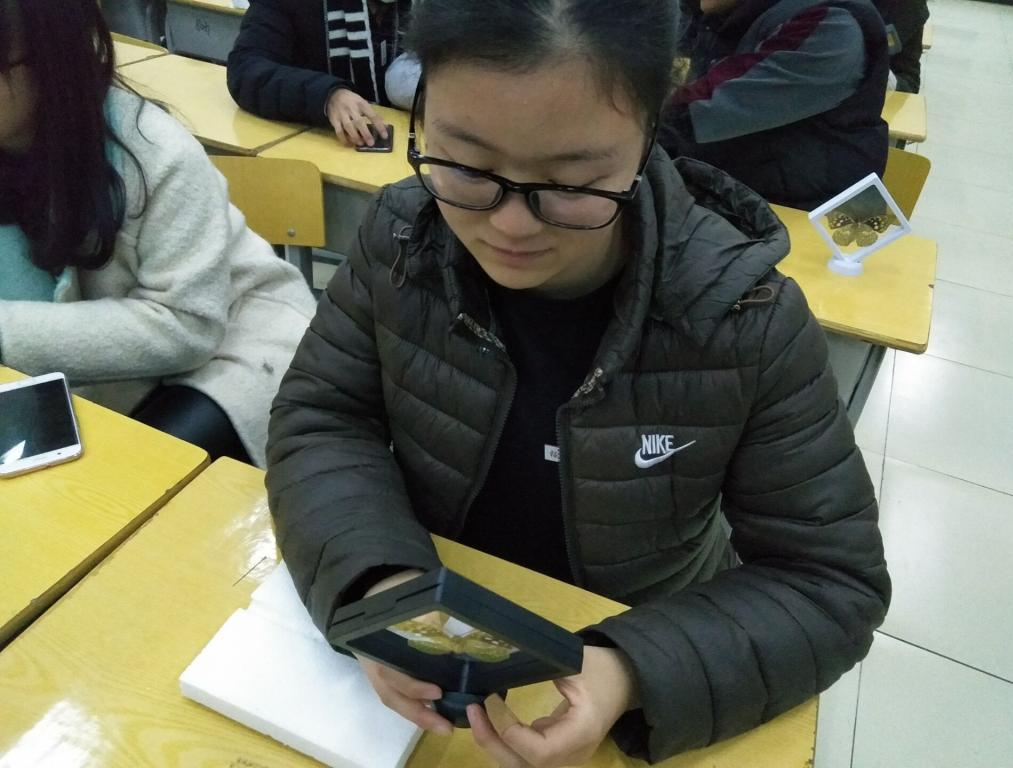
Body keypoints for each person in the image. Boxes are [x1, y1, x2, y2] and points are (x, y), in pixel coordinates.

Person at [265, 0, 890, 765]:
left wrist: (630, 671)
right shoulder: (403, 237)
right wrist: (378, 584)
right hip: (427, 634)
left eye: (572, 183)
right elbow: (324, 417)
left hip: (638, 632)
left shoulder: (742, 315)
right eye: (464, 164)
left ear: (649, 134)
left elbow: (830, 583)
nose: (511, 225)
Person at [0, 0, 316, 467]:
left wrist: (5, 331)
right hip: (94, 368)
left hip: (234, 346)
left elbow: (188, 325)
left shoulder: (154, 154)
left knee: (125, 483)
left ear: (52, 59)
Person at [663, 0, 890, 210]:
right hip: (748, 190)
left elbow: (703, 106)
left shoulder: (831, 25)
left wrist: (645, 108)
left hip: (810, 212)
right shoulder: (735, 13)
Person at [227, 0, 419, 148]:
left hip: (414, 142)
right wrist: (328, 96)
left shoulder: (423, 7)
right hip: (322, 147)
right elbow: (245, 70)